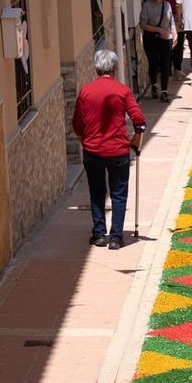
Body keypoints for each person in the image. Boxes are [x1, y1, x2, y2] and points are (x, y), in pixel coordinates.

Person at [71, 48, 144, 249]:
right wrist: (136, 137)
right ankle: (116, 238)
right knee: (119, 193)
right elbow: (139, 119)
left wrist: (83, 138)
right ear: (114, 68)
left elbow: (77, 122)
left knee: (97, 191)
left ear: (96, 68)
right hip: (118, 150)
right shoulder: (122, 90)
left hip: (93, 151)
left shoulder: (86, 91)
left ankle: (99, 234)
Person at [138, 0, 175, 100]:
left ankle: (164, 92)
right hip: (151, 39)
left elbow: (171, 21)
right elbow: (143, 24)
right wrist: (158, 30)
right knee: (153, 64)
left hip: (166, 38)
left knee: (165, 65)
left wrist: (175, 33)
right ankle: (154, 84)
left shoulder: (167, 5)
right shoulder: (147, 6)